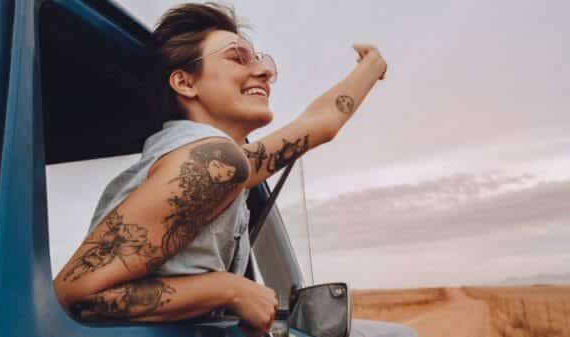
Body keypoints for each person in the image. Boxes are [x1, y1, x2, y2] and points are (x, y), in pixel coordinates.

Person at [53, 2, 397, 337]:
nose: (265, 71)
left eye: (262, 61)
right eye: (238, 58)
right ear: (185, 83)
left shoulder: (223, 164)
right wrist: (228, 289)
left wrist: (371, 66)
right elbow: (75, 295)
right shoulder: (210, 160)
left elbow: (319, 124)